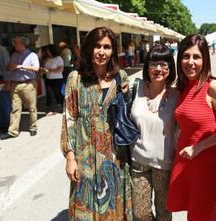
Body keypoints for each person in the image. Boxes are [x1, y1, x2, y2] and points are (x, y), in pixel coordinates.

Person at [60, 27, 133, 220]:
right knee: (86, 206)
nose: (102, 52)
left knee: (113, 208)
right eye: (97, 46)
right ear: (89, 48)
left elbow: (127, 115)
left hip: (115, 156)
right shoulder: (75, 79)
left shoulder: (121, 77)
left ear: (113, 51)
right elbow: (69, 118)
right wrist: (70, 157)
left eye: (107, 47)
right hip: (84, 157)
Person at [166, 34, 216, 221]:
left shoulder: (213, 87)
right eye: (186, 56)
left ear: (205, 59)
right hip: (186, 159)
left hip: (207, 163)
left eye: (196, 57)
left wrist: (199, 147)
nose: (190, 62)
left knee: (207, 213)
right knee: (194, 214)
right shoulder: (184, 86)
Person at [130, 44, 179, 221]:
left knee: (164, 213)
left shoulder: (177, 94)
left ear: (170, 68)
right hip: (138, 161)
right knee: (140, 214)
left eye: (164, 64)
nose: (158, 69)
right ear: (147, 66)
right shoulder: (136, 88)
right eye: (153, 63)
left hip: (164, 165)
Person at [0, 36, 39, 139]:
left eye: (16, 43)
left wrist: (20, 66)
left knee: (31, 107)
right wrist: (10, 67)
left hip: (28, 84)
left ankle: (33, 127)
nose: (14, 45)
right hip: (14, 84)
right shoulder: (13, 55)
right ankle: (13, 131)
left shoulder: (32, 55)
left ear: (22, 44)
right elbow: (8, 67)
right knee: (15, 108)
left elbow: (36, 68)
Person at [41, 44, 64, 115]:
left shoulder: (59, 58)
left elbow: (60, 69)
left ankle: (63, 106)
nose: (47, 52)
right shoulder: (48, 59)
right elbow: (44, 66)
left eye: (48, 50)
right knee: (50, 94)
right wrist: (43, 70)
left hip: (57, 79)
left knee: (58, 94)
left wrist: (50, 70)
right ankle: (52, 109)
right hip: (48, 78)